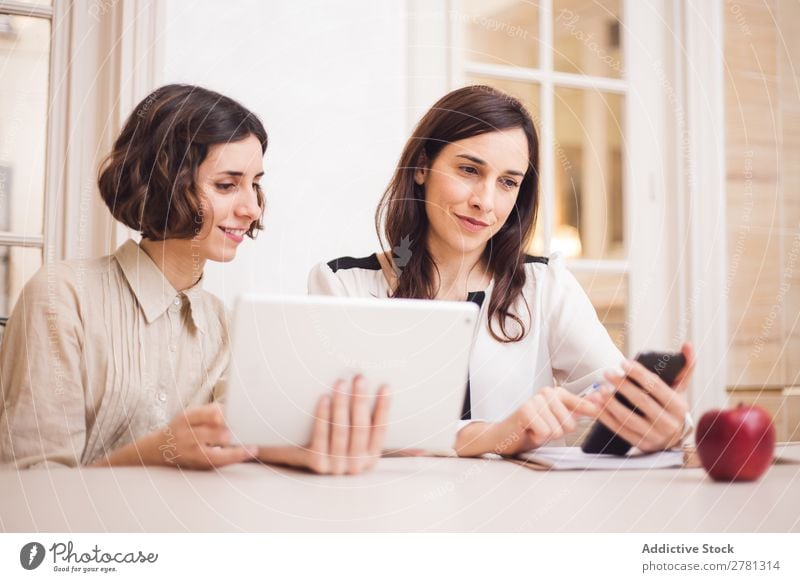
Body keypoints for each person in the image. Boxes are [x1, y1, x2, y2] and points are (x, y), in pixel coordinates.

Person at [0, 84, 389, 474]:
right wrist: (155, 452)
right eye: (226, 184)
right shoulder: (62, 298)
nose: (252, 208)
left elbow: (230, 445)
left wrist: (301, 446)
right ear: (164, 183)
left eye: (255, 184)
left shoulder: (223, 323)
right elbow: (31, 484)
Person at [308, 85, 694, 457]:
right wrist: (489, 436)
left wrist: (664, 425)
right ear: (422, 167)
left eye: (508, 182)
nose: (485, 201)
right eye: (468, 170)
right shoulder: (343, 285)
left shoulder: (545, 285)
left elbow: (604, 390)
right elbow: (336, 427)